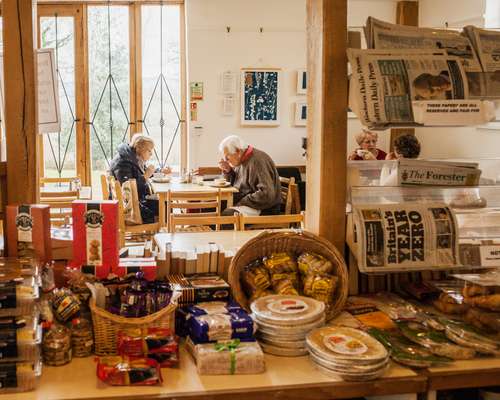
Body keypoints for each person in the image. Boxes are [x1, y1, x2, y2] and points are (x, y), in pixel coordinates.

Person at [109, 133, 171, 223]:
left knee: (164, 203)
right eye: (149, 151)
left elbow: (142, 172)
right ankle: (161, 235)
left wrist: (160, 171)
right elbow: (128, 189)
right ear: (140, 149)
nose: (151, 154)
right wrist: (146, 176)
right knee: (166, 205)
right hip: (129, 209)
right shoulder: (123, 163)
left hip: (135, 201)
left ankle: (159, 234)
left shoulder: (132, 157)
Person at [218, 135, 281, 216]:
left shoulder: (257, 161)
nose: (225, 160)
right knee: (215, 206)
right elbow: (235, 184)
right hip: (248, 202)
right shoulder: (241, 160)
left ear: (238, 151)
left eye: (227, 157)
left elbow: (266, 194)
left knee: (228, 215)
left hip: (264, 208)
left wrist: (241, 202)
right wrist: (228, 171)